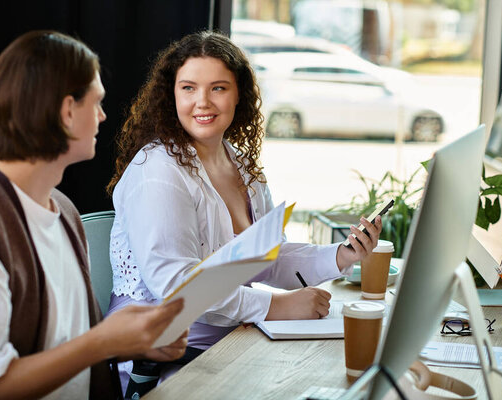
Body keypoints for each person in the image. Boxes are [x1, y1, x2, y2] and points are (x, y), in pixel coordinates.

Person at [0, 30, 189, 400]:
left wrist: (133, 345)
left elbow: (64, 343)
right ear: (66, 110)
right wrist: (102, 343)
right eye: (96, 102)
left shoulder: (62, 210)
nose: (103, 115)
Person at [106, 31, 382, 395]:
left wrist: (341, 254)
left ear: (239, 95)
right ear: (171, 94)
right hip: (166, 352)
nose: (201, 102)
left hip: (234, 335)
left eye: (218, 88)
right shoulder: (158, 170)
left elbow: (265, 256)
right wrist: (276, 305)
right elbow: (177, 287)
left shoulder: (240, 163)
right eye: (188, 88)